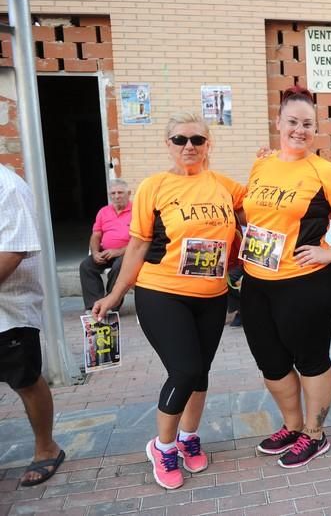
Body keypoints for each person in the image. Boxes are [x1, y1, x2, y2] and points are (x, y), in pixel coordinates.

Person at [93, 112, 245, 490]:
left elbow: (258, 209)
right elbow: (139, 244)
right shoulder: (154, 187)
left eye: (197, 139)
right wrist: (115, 294)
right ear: (168, 145)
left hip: (212, 296)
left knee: (201, 373)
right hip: (162, 293)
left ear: (209, 144)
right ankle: (163, 446)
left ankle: (189, 437)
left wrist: (269, 162)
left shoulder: (225, 186)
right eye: (180, 140)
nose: (189, 146)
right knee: (184, 370)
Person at [241, 86, 331, 468]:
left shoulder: (326, 172)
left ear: (316, 128)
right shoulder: (262, 164)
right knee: (271, 361)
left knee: (312, 360)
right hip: (256, 281)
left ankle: (315, 434)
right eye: (292, 122)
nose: (299, 130)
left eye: (307, 124)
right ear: (278, 123)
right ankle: (292, 426)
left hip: (305, 282)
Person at [0, 164, 65, 487]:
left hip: (9, 311)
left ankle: (46, 448)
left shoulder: (7, 186)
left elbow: (13, 251)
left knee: (25, 379)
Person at [79, 179, 132, 311]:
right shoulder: (103, 212)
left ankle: (112, 303)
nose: (116, 196)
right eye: (113, 193)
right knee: (86, 266)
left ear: (129, 193)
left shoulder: (137, 211)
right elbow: (96, 235)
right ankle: (94, 305)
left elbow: (140, 240)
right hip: (105, 252)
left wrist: (118, 251)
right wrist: (95, 252)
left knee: (118, 267)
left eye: (120, 192)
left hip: (128, 253)